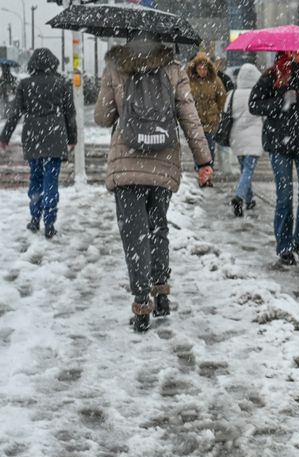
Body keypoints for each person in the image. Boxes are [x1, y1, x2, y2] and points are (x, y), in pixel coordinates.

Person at [95, 32, 213, 333]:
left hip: (127, 164)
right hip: (163, 161)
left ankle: (141, 305)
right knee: (158, 227)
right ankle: (161, 294)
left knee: (135, 236)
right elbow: (190, 118)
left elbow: (102, 117)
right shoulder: (173, 69)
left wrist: (117, 98)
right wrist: (204, 161)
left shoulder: (116, 67)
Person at [250, 51, 299, 266]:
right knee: (284, 197)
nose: (298, 53)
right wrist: (280, 102)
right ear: (285, 50)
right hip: (279, 144)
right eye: (294, 50)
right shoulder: (273, 74)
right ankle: (284, 246)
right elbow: (254, 105)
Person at [0, 49, 76, 239]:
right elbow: (70, 113)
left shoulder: (25, 84)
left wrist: (4, 137)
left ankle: (35, 218)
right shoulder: (61, 84)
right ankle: (49, 222)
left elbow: (15, 113)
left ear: (33, 64)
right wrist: (72, 138)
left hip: (33, 136)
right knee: (51, 179)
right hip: (55, 137)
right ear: (53, 64)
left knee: (35, 177)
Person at [227, 63, 263, 217]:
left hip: (237, 138)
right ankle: (239, 197)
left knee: (244, 169)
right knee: (248, 170)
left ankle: (249, 199)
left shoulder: (232, 94)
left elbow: (226, 113)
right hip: (254, 139)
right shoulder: (258, 94)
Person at [186, 52, 227, 167]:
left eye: (204, 69)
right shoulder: (189, 82)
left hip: (210, 121)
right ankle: (200, 169)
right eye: (200, 69)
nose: (202, 71)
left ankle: (208, 169)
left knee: (210, 147)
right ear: (195, 69)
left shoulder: (215, 81)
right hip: (195, 120)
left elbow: (221, 97)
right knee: (198, 148)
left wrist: (216, 110)